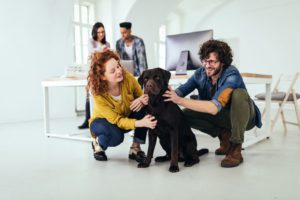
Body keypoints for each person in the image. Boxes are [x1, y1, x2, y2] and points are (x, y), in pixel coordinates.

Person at [163, 40, 262, 168]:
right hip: (224, 118)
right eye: (205, 60)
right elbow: (179, 92)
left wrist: (180, 101)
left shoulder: (231, 74)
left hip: (246, 119)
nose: (207, 65)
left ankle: (236, 147)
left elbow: (214, 108)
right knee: (184, 115)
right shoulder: (200, 73)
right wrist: (155, 96)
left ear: (222, 62)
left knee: (239, 94)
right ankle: (224, 136)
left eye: (212, 62)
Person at [87, 50, 157, 161]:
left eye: (118, 66)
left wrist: (141, 99)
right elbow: (117, 120)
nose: (119, 71)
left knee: (144, 107)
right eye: (113, 71)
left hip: (124, 117)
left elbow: (144, 97)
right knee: (116, 137)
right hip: (102, 122)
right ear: (103, 76)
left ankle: (135, 149)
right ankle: (98, 145)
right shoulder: (98, 94)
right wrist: (141, 123)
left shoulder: (128, 78)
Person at [78, 22, 111, 129]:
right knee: (89, 94)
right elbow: (92, 52)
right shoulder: (91, 41)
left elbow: (108, 56)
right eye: (99, 32)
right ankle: (87, 120)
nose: (101, 34)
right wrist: (103, 50)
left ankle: (102, 119)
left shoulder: (108, 44)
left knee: (103, 94)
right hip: (92, 71)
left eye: (103, 32)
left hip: (103, 71)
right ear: (95, 32)